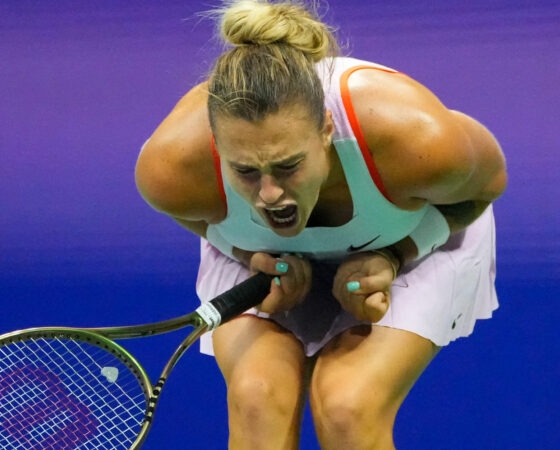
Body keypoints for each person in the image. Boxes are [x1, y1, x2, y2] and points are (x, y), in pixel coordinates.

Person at [135, 1, 507, 448]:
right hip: (269, 263)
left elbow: (486, 186)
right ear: (216, 146)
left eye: (288, 165)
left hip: (414, 235)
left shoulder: (414, 139)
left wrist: (397, 253)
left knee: (347, 407)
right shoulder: (172, 167)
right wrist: (250, 256)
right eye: (247, 172)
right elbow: (189, 214)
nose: (269, 194)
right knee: (257, 399)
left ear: (327, 130)